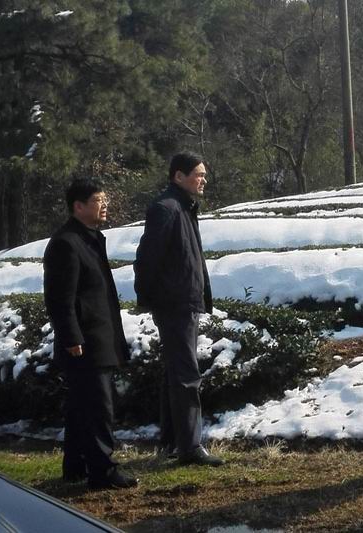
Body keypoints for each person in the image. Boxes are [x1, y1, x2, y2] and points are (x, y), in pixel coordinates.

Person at [43, 178, 138, 489]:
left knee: (81, 407)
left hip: (98, 336)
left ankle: (76, 466)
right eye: (98, 200)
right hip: (85, 342)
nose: (105, 205)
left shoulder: (90, 239)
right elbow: (60, 298)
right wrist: (71, 337)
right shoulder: (66, 243)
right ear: (78, 206)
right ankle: (103, 471)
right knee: (98, 408)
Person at [134, 151, 224, 467]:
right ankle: (190, 447)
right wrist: (151, 296)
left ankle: (172, 441)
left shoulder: (183, 207)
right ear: (179, 176)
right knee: (186, 374)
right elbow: (147, 258)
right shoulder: (166, 208)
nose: (203, 180)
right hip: (175, 303)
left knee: (176, 371)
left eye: (203, 174)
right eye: (198, 174)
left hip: (182, 301)